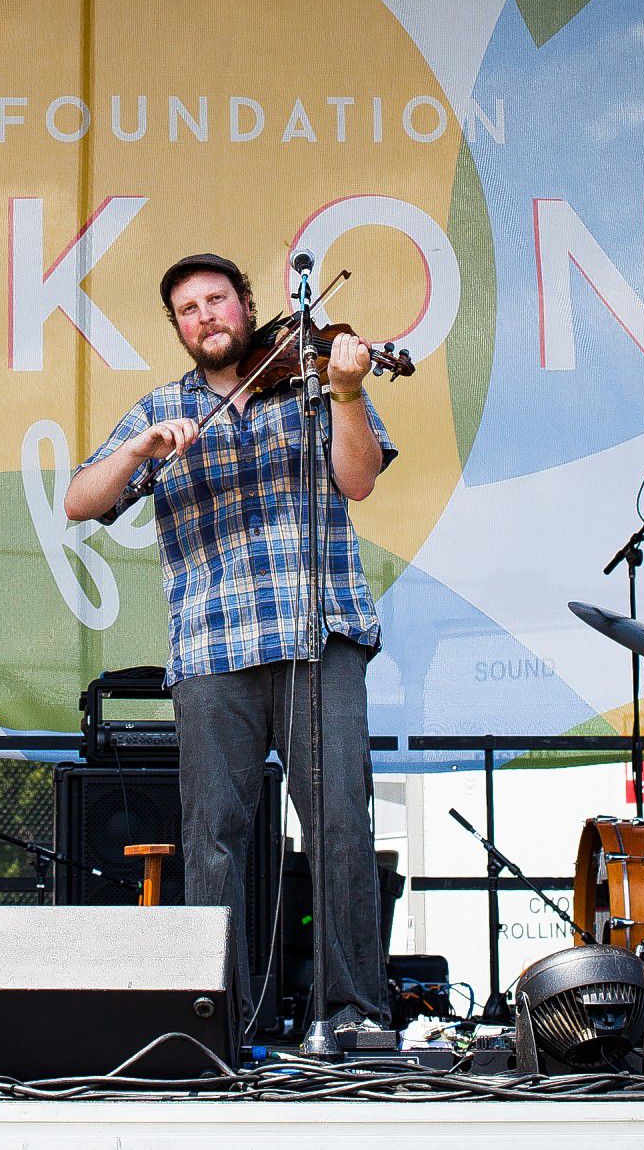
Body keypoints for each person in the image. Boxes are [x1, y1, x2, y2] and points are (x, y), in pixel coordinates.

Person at [64, 252, 397, 1032]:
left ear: (248, 306)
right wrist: (137, 453)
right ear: (179, 328)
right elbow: (81, 500)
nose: (206, 316)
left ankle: (354, 1013)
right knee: (213, 835)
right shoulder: (162, 409)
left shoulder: (315, 384)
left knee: (341, 822)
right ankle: (216, 1015)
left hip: (321, 633)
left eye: (217, 300)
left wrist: (346, 391)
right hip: (212, 647)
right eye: (188, 309)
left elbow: (359, 478)